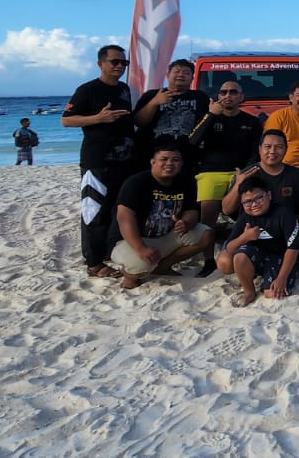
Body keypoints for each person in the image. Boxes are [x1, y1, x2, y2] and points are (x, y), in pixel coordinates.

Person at [62, 44, 136, 279]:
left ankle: (108, 252)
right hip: (97, 160)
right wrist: (98, 118)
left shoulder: (124, 89)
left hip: (124, 160)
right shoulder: (88, 89)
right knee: (94, 210)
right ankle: (93, 263)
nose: (120, 66)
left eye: (124, 63)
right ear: (100, 63)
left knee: (116, 209)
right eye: (115, 62)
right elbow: (66, 120)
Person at [109, 144, 212, 289]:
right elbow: (124, 218)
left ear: (181, 163)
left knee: (205, 234)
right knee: (140, 265)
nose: (170, 163)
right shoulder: (136, 182)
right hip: (131, 239)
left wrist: (186, 222)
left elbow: (192, 211)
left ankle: (162, 267)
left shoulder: (185, 181)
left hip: (165, 235)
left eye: (175, 160)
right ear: (153, 162)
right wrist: (141, 248)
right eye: (164, 159)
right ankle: (129, 275)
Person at [189, 81, 264, 276]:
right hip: (211, 172)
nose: (228, 95)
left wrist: (245, 172)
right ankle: (208, 260)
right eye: (223, 92)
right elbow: (193, 141)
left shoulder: (251, 121)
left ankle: (248, 251)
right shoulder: (209, 117)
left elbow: (256, 151)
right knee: (208, 215)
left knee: (251, 210)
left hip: (240, 171)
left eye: (233, 92)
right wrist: (211, 114)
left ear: (241, 97)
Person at [222, 130, 299, 278]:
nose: (272, 151)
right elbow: (227, 210)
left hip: (284, 235)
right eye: (267, 146)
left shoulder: (294, 174)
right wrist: (238, 184)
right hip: (251, 234)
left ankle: (270, 267)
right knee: (225, 263)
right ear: (260, 149)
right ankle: (258, 266)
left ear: (286, 150)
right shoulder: (248, 173)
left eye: (279, 147)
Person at [217, 181, 299, 306]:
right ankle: (249, 291)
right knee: (240, 256)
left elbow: (293, 248)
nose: (254, 204)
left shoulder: (284, 213)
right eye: (247, 202)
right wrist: (244, 237)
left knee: (272, 293)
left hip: (281, 256)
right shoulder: (245, 217)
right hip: (259, 256)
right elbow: (229, 249)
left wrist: (281, 278)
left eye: (258, 198)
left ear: (269, 195)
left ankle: (291, 271)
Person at [134, 58, 211, 175]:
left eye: (186, 73)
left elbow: (205, 124)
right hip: (151, 154)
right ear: (167, 75)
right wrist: (154, 102)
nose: (181, 75)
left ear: (192, 78)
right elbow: (139, 122)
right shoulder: (152, 95)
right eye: (177, 71)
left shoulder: (200, 97)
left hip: (186, 155)